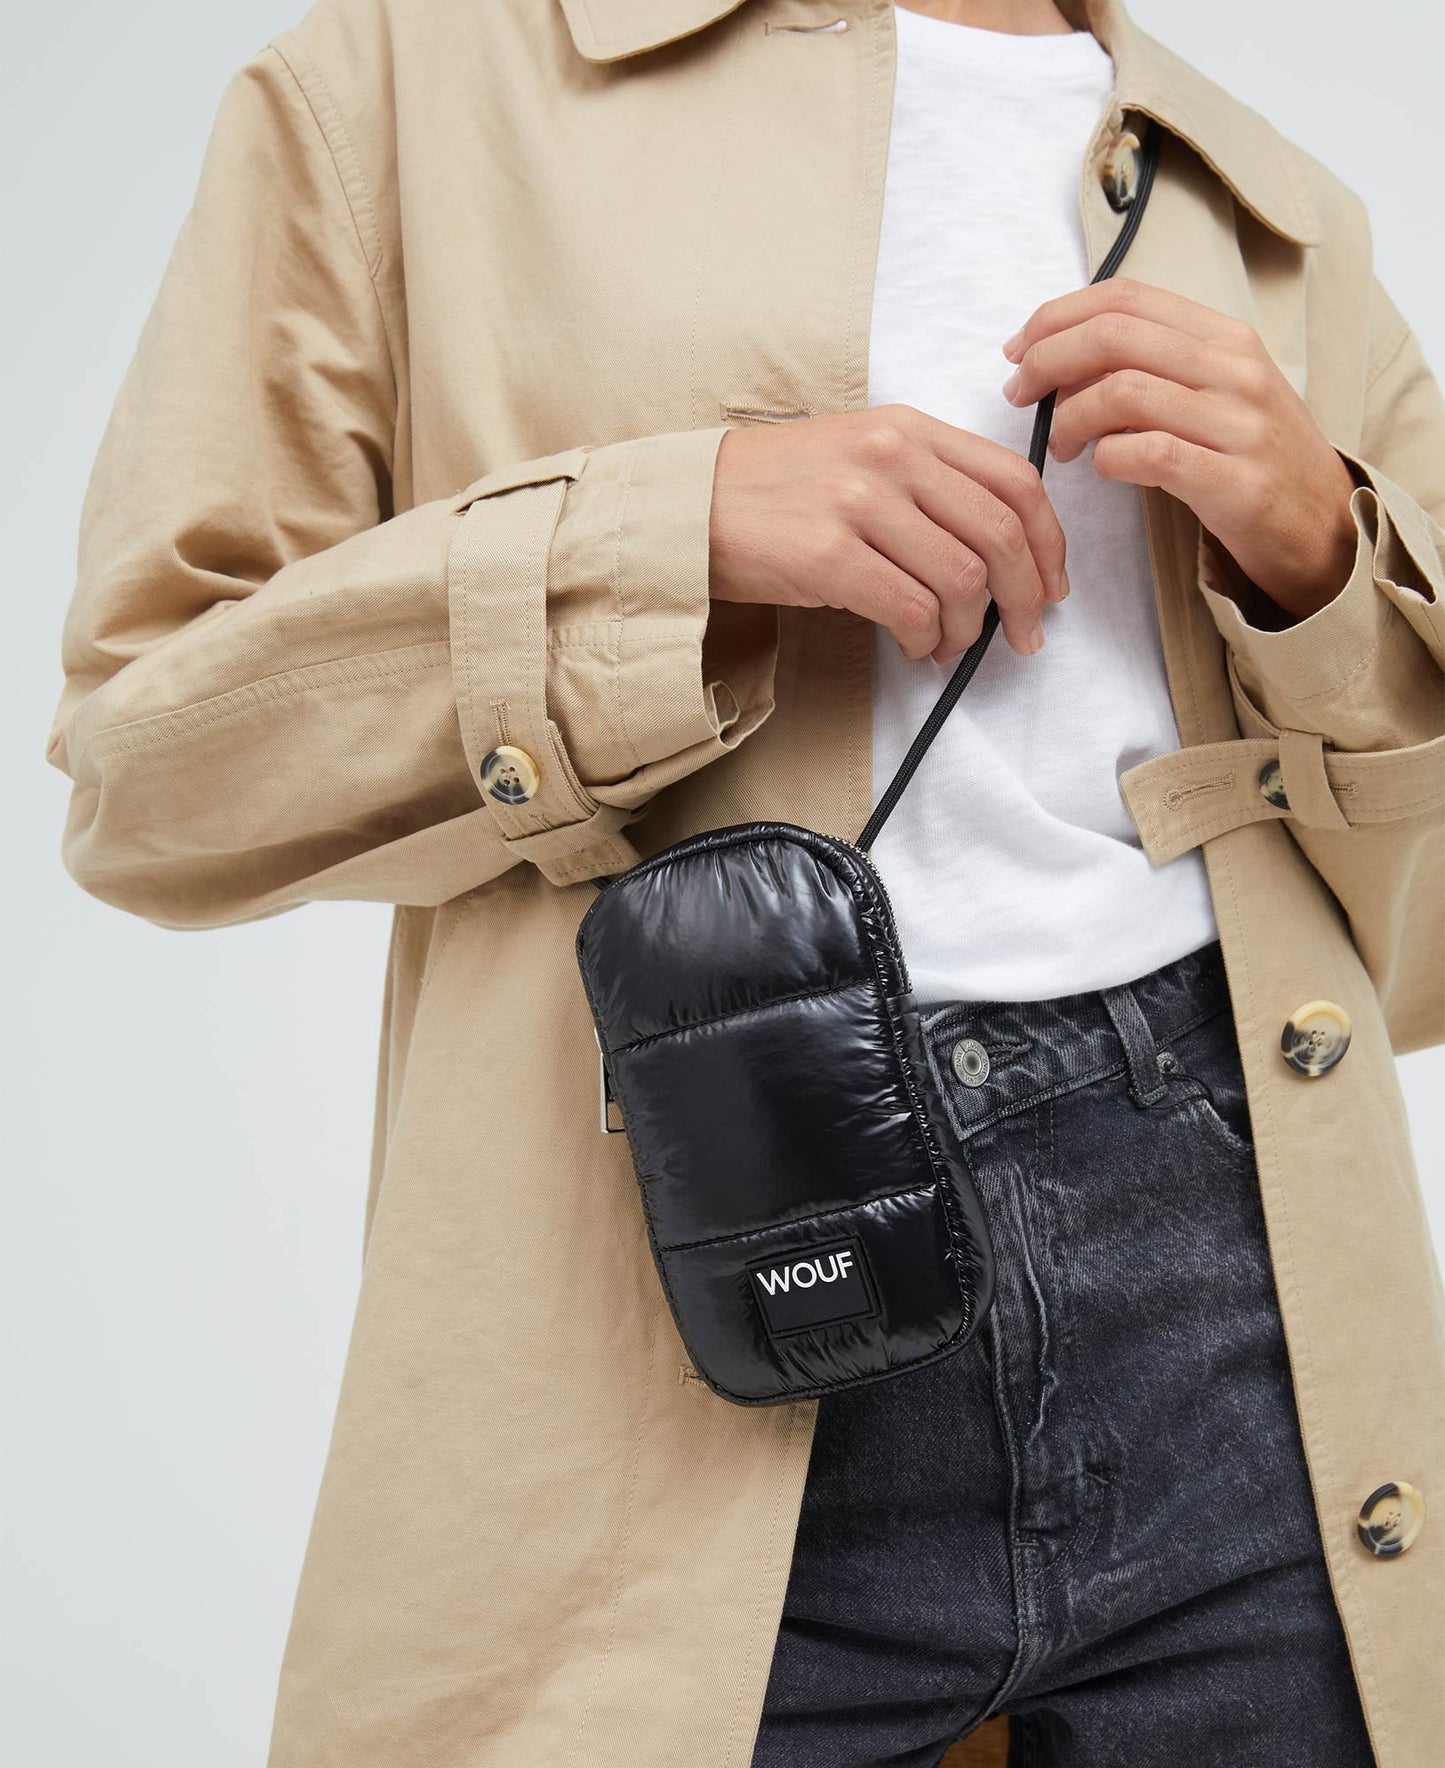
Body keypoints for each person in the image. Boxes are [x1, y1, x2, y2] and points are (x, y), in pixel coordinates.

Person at [45, 0, 1442, 1763]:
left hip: (1241, 1292)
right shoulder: (411, 82)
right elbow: (152, 776)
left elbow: (1414, 944)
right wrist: (655, 538)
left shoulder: (1270, 205)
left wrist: (1324, 561)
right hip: (674, 1271)